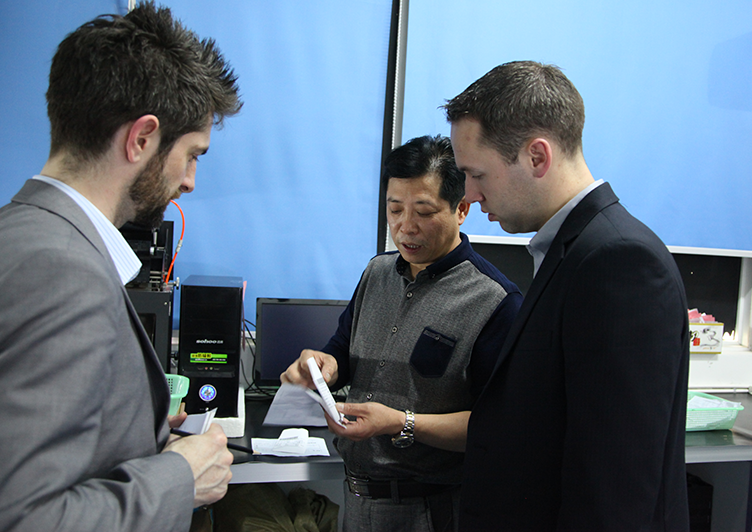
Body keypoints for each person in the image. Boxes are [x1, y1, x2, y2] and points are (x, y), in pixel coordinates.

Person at [0, 3, 242, 531]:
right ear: (141, 139)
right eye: (193, 154)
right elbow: (25, 517)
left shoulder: (18, 232)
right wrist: (180, 477)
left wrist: (136, 428)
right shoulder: (63, 272)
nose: (190, 181)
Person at [445, 60, 690, 531]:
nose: (470, 195)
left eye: (477, 174)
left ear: (537, 157)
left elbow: (615, 488)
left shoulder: (619, 262)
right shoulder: (572, 251)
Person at [282, 135, 523, 532]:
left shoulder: (494, 301)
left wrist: (399, 422)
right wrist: (324, 366)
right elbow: (342, 351)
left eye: (424, 212)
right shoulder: (377, 272)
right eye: (395, 209)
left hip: (430, 509)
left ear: (462, 209)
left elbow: (495, 428)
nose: (405, 227)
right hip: (356, 498)